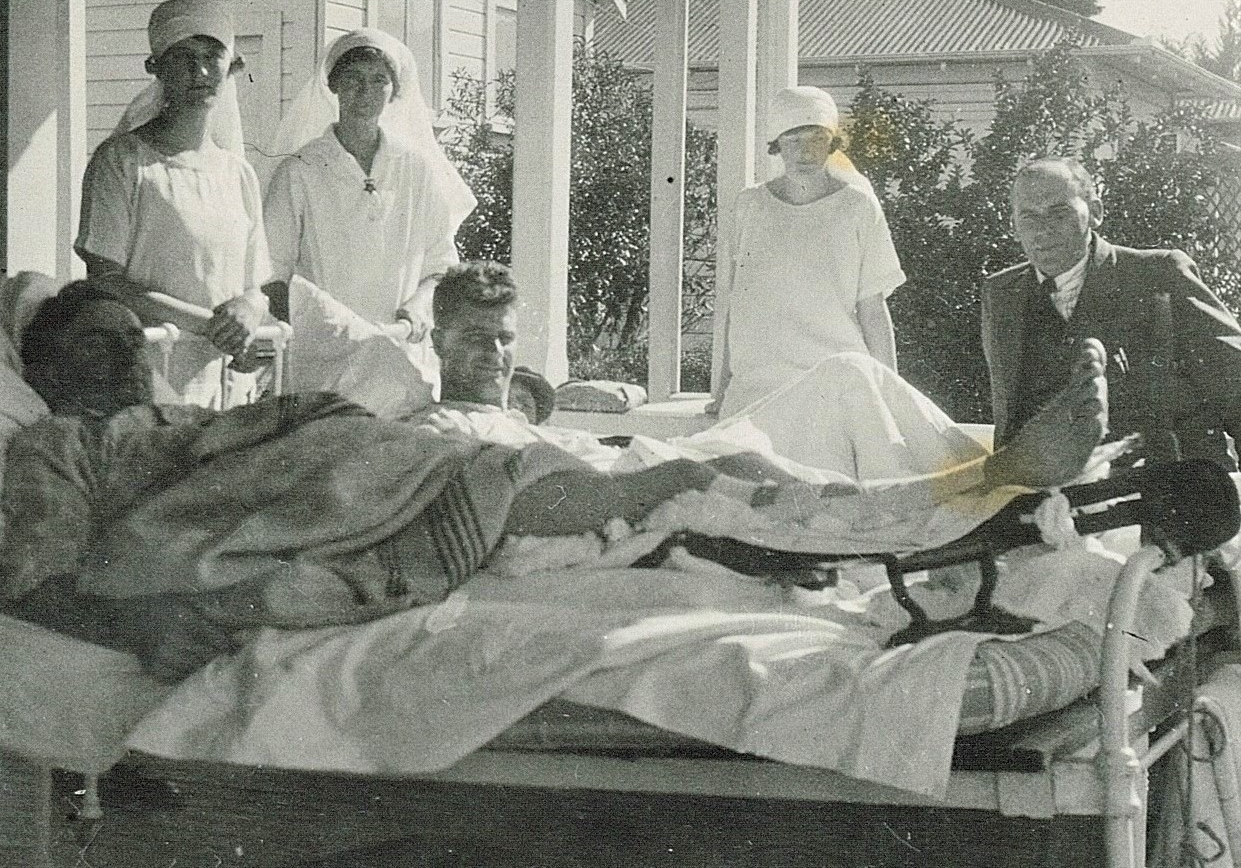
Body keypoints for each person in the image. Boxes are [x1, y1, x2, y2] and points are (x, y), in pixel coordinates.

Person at [1, 279, 1107, 681]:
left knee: (698, 479)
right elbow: (35, 580)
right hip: (381, 492)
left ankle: (976, 498)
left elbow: (279, 445)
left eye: (133, 343)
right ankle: (977, 497)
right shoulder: (53, 449)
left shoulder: (182, 414)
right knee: (680, 486)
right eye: (96, 351)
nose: (129, 360)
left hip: (374, 470)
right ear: (42, 374)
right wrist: (141, 627)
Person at [415, 262, 987, 484]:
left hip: (662, 456)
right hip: (664, 473)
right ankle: (964, 503)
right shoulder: (444, 431)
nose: (495, 353)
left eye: (505, 339)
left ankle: (988, 481)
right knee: (848, 380)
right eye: (475, 339)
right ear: (438, 341)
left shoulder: (503, 416)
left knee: (851, 372)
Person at [75, 0, 274, 408]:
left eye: (211, 56)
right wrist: (209, 325)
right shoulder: (123, 161)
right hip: (147, 377)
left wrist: (250, 310)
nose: (199, 71)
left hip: (223, 385)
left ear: (231, 65)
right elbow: (106, 280)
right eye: (182, 56)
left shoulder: (239, 175)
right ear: (155, 67)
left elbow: (256, 285)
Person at [982, 156, 1241, 469]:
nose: (1042, 231)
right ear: (1014, 225)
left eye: (1058, 213)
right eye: (1028, 217)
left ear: (1095, 212)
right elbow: (1010, 417)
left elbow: (1235, 385)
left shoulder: (1158, 273)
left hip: (1165, 494)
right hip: (1053, 502)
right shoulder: (1001, 293)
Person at [263, 28, 476, 379]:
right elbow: (273, 274)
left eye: (380, 80)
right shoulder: (299, 170)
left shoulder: (416, 169)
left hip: (401, 352)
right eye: (353, 78)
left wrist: (419, 307)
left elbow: (440, 264)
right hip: (326, 361)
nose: (366, 90)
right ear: (333, 85)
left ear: (394, 92)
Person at [713, 86, 905, 418]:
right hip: (756, 390)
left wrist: (891, 393)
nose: (805, 152)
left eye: (816, 139)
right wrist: (722, 388)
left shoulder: (858, 207)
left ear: (832, 143)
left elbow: (873, 309)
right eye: (793, 140)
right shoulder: (750, 206)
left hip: (833, 388)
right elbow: (739, 305)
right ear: (777, 145)